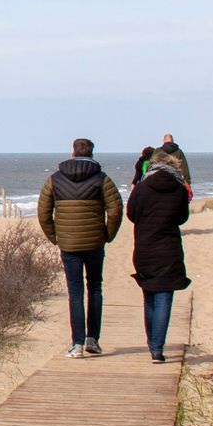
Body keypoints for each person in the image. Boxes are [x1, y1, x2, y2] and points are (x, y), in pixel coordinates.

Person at [37, 138, 122, 359]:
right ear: (92, 154)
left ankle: (77, 344)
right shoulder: (102, 179)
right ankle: (93, 339)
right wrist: (107, 235)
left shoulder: (54, 179)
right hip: (95, 243)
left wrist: (55, 237)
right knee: (94, 288)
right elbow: (115, 210)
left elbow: (43, 212)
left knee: (75, 293)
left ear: (72, 153)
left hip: (69, 245)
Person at [127, 148, 192, 363]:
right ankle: (157, 348)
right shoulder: (179, 189)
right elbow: (183, 217)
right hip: (169, 248)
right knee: (164, 296)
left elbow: (132, 215)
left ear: (152, 165)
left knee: (150, 295)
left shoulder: (142, 187)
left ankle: (152, 344)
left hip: (145, 247)